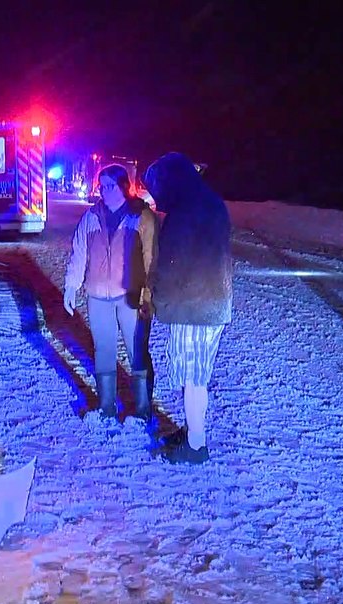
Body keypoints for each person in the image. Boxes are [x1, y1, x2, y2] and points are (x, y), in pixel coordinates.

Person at [142, 152, 233, 464]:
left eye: (158, 190)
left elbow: (172, 265)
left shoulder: (187, 211)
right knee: (197, 376)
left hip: (195, 308)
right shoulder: (210, 202)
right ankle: (192, 429)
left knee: (193, 379)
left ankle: (196, 444)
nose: (158, 199)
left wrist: (157, 299)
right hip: (212, 305)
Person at [63, 164, 158, 420]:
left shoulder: (139, 216)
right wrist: (71, 285)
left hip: (130, 296)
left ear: (123, 187)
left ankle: (142, 408)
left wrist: (149, 296)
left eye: (110, 186)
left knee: (136, 349)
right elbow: (79, 251)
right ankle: (106, 405)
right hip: (97, 296)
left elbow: (151, 259)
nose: (104, 191)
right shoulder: (92, 217)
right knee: (103, 349)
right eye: (101, 186)